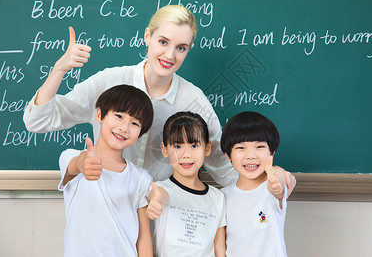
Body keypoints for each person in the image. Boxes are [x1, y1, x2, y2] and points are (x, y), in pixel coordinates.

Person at [23, 4, 296, 191]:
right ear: (147, 36)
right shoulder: (110, 82)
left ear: (188, 50)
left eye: (181, 48)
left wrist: (271, 178)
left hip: (162, 212)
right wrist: (59, 69)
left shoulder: (193, 101)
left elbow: (223, 168)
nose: (169, 56)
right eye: (163, 42)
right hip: (107, 204)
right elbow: (38, 121)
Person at [58, 84, 154, 256]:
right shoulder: (71, 157)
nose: (124, 128)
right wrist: (83, 164)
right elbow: (75, 165)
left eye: (134, 123)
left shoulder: (140, 178)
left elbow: (144, 236)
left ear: (140, 133)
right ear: (100, 114)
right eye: (118, 116)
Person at [146, 112, 226, 257]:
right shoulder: (161, 188)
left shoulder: (218, 198)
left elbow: (219, 249)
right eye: (177, 146)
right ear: (164, 149)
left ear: (207, 148)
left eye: (194, 145)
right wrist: (155, 202)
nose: (186, 154)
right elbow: (159, 196)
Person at [220, 111, 289, 257]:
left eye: (260, 147)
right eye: (240, 148)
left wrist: (277, 182)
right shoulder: (222, 197)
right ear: (228, 155)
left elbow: (279, 181)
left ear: (272, 152)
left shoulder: (271, 189)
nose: (251, 155)